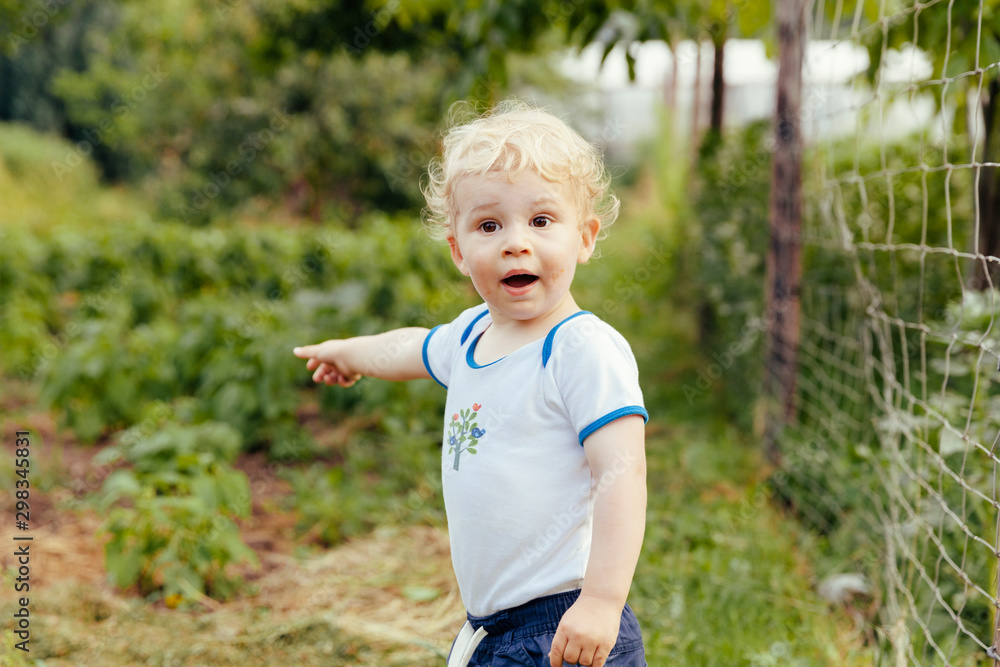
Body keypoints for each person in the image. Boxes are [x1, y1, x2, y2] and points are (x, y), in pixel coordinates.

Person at [293, 100, 648, 667]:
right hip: (491, 629)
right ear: (460, 251)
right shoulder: (472, 337)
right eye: (489, 225)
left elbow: (622, 475)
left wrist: (602, 602)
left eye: (540, 221)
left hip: (558, 625)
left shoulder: (581, 349)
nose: (515, 242)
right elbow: (409, 347)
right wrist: (351, 354)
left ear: (584, 237)